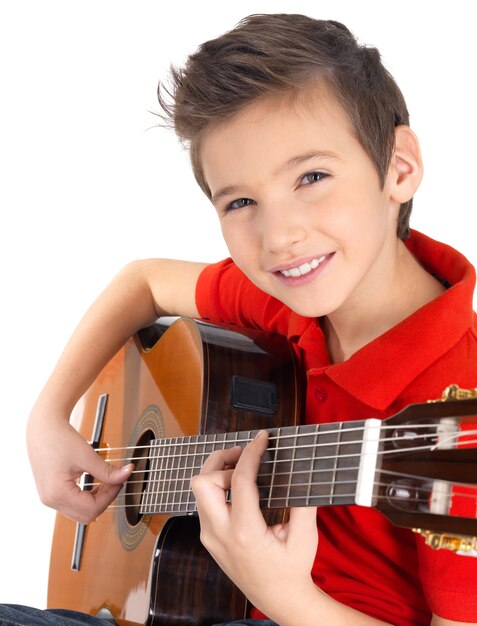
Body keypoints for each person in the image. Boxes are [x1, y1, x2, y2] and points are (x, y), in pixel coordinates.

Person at [2, 12, 476, 626]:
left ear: (399, 167)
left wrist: (285, 597)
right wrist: (47, 417)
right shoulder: (290, 295)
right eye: (242, 201)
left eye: (312, 176)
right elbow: (143, 281)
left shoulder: (457, 409)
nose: (279, 237)